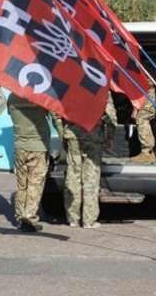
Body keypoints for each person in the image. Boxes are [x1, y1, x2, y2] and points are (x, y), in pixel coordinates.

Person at [56, 95, 116, 229]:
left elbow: (58, 114)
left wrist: (63, 136)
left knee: (73, 175)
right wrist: (110, 137)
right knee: (91, 177)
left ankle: (73, 219)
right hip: (94, 135)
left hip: (73, 134)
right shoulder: (101, 85)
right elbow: (111, 116)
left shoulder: (71, 85)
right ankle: (89, 220)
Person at [7, 93, 50, 232]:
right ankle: (30, 216)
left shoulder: (12, 98)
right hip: (38, 145)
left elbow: (11, 113)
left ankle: (20, 216)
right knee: (35, 183)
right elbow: (52, 113)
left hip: (20, 146)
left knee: (22, 184)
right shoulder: (41, 96)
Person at [132, 84, 156, 164]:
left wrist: (136, 108)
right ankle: (149, 153)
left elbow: (144, 83)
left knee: (142, 118)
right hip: (148, 91)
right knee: (142, 118)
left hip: (148, 92)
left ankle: (147, 153)